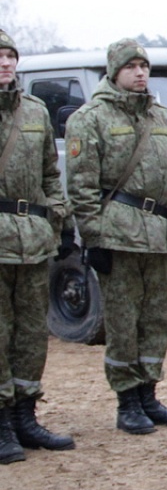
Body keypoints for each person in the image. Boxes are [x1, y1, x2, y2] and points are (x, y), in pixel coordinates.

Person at [64, 39, 167, 435]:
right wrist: (93, 239)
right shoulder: (90, 119)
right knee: (123, 322)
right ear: (113, 71)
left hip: (158, 235)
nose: (140, 73)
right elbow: (82, 186)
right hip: (118, 236)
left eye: (144, 66)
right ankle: (127, 401)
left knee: (157, 319)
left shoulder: (163, 117)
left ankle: (149, 394)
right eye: (131, 67)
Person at [0, 28, 76, 463]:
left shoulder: (34, 111)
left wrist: (56, 221)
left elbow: (50, 173)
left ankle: (26, 417)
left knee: (31, 332)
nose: (6, 64)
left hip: (31, 239)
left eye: (10, 56)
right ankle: (2, 424)